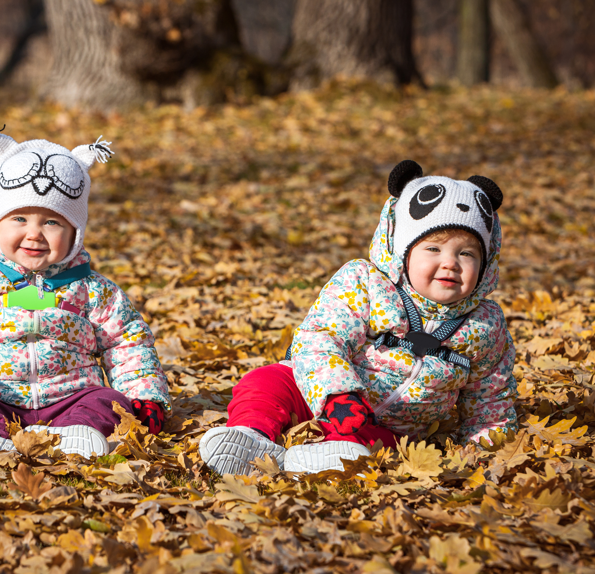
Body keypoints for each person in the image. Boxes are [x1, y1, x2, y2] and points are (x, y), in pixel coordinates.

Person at [199, 160, 518, 475]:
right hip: (318, 389)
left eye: (466, 253)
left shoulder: (485, 326)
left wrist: (485, 446)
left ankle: (328, 455)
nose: (451, 263)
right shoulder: (365, 283)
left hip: (389, 427)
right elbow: (321, 338)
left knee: (378, 446)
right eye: (433, 249)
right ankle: (249, 435)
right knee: (266, 381)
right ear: (402, 252)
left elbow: (491, 396)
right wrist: (337, 392)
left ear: (486, 263)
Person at [0, 122, 170, 464]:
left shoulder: (91, 288)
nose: (35, 233)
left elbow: (127, 343)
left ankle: (76, 434)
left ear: (75, 233)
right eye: (20, 219)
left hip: (70, 395)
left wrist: (144, 396)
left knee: (104, 401)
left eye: (52, 223)